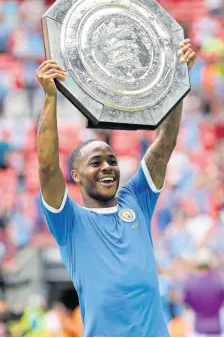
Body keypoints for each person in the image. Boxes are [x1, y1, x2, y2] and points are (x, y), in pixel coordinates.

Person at [36, 39, 196, 337]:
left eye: (111, 160)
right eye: (95, 163)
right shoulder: (69, 221)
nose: (107, 166)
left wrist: (179, 82)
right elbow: (46, 167)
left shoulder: (136, 199)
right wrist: (50, 98)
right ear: (76, 175)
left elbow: (165, 145)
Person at [183, 249, 224, 336]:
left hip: (198, 328)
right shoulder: (219, 280)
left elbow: (186, 304)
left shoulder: (191, 282)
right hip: (216, 328)